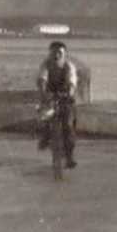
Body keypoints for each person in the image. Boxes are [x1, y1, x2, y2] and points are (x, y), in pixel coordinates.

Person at [36, 40, 77, 169]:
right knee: (44, 117)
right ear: (50, 53)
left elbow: (71, 81)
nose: (57, 56)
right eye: (54, 53)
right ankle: (44, 137)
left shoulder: (68, 66)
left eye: (60, 53)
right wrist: (43, 94)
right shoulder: (46, 65)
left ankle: (69, 157)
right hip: (50, 96)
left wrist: (69, 93)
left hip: (65, 96)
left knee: (69, 126)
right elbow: (42, 79)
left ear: (64, 54)